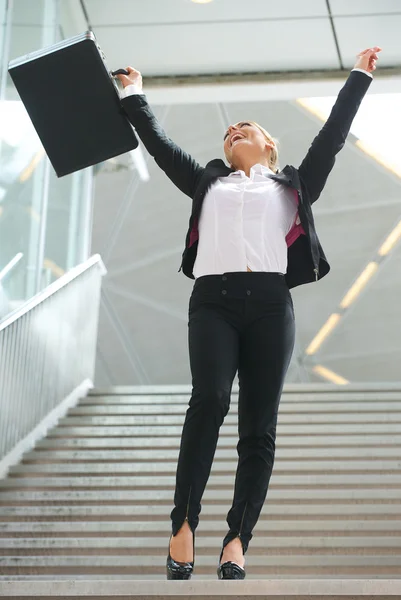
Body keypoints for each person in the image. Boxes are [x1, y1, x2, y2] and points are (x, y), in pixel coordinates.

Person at [115, 46, 381, 580]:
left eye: (247, 126)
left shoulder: (293, 187)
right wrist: (133, 94)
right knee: (209, 399)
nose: (234, 129)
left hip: (269, 306)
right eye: (228, 129)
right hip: (212, 301)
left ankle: (237, 538)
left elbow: (331, 137)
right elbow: (161, 146)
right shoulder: (206, 183)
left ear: (269, 145)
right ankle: (183, 525)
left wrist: (358, 77)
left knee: (258, 428)